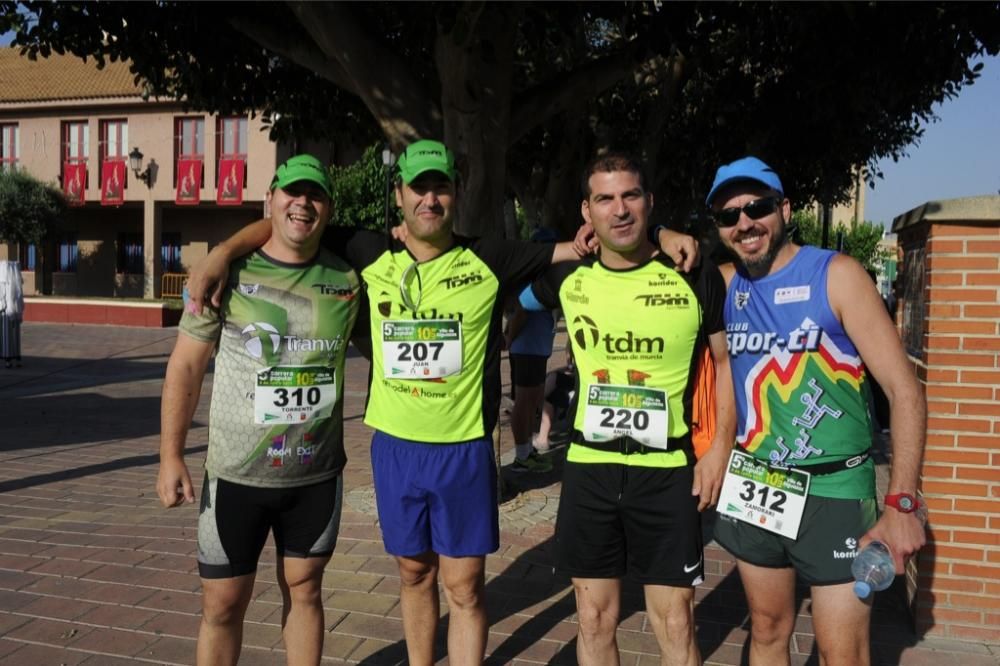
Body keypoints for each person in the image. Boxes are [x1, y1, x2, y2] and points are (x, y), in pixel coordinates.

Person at [185, 140, 699, 665]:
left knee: (466, 586)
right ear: (400, 194)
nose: (430, 199)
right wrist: (222, 254)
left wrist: (663, 230)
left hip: (464, 451)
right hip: (397, 449)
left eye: (441, 187)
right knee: (413, 573)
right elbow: (285, 222)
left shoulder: (489, 256)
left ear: (454, 193)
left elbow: (602, 241)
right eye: (418, 188)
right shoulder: (368, 251)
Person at [706, 156, 927, 666]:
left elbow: (904, 391)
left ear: (784, 210)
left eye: (757, 207)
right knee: (766, 630)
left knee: (841, 652)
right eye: (728, 215)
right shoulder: (719, 285)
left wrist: (902, 504)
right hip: (757, 483)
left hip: (834, 490)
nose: (744, 223)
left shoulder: (838, 275)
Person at [520, 153, 736, 666]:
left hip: (665, 472)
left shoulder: (691, 272)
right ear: (587, 211)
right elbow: (502, 285)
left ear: (649, 203)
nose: (619, 210)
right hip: (591, 470)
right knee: (594, 619)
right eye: (605, 199)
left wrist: (720, 450)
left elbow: (726, 365)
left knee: (676, 621)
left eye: (630, 196)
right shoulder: (566, 276)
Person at [157, 155, 361, 666]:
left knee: (306, 589)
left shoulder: (349, 279)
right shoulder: (226, 275)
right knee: (223, 602)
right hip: (235, 472)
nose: (302, 203)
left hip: (314, 474)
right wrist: (170, 456)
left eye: (315, 195)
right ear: (270, 199)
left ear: (328, 209)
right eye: (292, 192)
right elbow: (185, 365)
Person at [505, 227, 560, 471]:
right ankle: (521, 456)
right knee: (524, 403)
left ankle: (527, 451)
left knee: (532, 401)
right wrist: (510, 339)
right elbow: (521, 312)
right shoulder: (531, 280)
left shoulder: (546, 279)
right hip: (526, 349)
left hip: (538, 349)